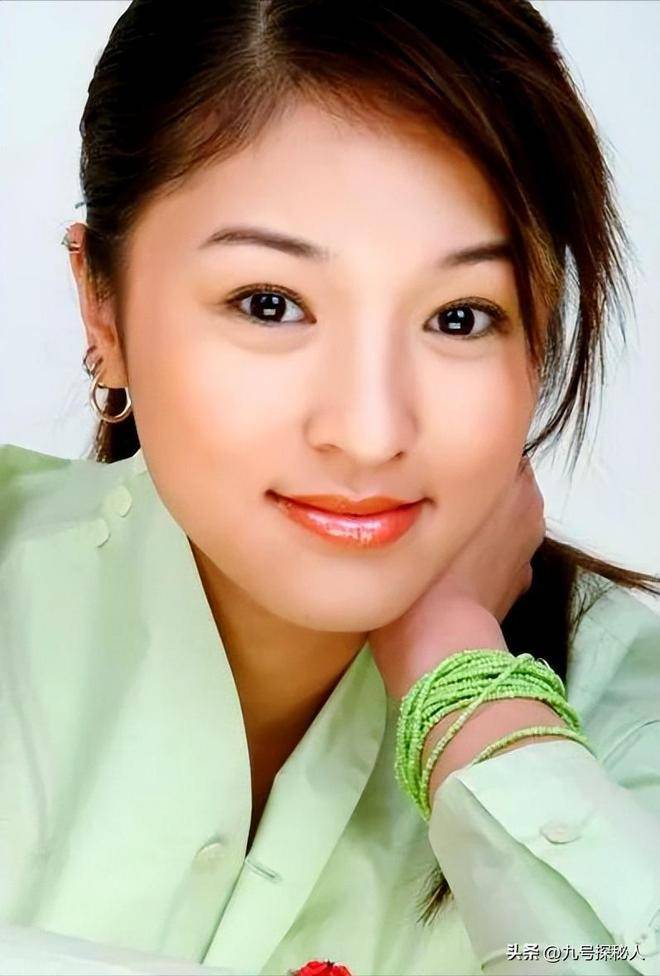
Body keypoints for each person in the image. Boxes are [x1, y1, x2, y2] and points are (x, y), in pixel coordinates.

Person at [1, 1, 660, 974]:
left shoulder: (627, 716)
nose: (369, 432)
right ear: (102, 306)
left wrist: (462, 680)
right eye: (269, 304)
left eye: (460, 316)